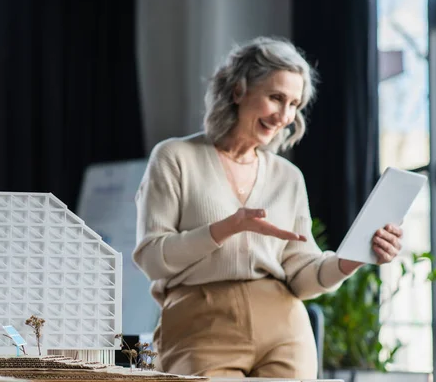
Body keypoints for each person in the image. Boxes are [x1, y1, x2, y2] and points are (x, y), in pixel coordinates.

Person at [132, 36, 403, 379]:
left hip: (284, 327)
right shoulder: (174, 158)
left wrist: (352, 258)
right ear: (238, 91)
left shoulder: (288, 177)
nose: (284, 116)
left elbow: (303, 274)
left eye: (294, 104)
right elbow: (153, 258)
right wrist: (228, 226)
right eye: (276, 98)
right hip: (200, 324)